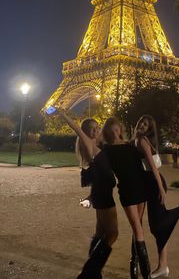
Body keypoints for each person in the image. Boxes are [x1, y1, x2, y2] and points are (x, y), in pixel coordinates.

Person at [133, 115, 179, 279]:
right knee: (158, 225)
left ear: (149, 129)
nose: (142, 125)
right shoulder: (140, 140)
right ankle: (163, 266)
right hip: (151, 183)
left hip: (153, 183)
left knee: (157, 225)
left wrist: (161, 189)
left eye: (146, 124)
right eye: (141, 122)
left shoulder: (142, 141)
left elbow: (152, 167)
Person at [55, 110, 118, 279]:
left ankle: (93, 271)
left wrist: (90, 197)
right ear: (85, 132)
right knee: (112, 234)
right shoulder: (89, 145)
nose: (96, 131)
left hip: (100, 194)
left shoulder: (96, 146)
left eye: (97, 128)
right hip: (104, 195)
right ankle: (90, 271)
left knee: (100, 233)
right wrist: (63, 114)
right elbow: (76, 128)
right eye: (92, 129)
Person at [101, 117, 151, 279]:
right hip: (128, 190)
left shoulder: (131, 145)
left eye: (117, 129)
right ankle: (146, 274)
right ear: (107, 133)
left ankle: (134, 261)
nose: (115, 133)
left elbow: (145, 162)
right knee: (137, 229)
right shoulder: (106, 150)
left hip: (141, 188)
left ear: (120, 130)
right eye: (112, 130)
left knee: (139, 228)